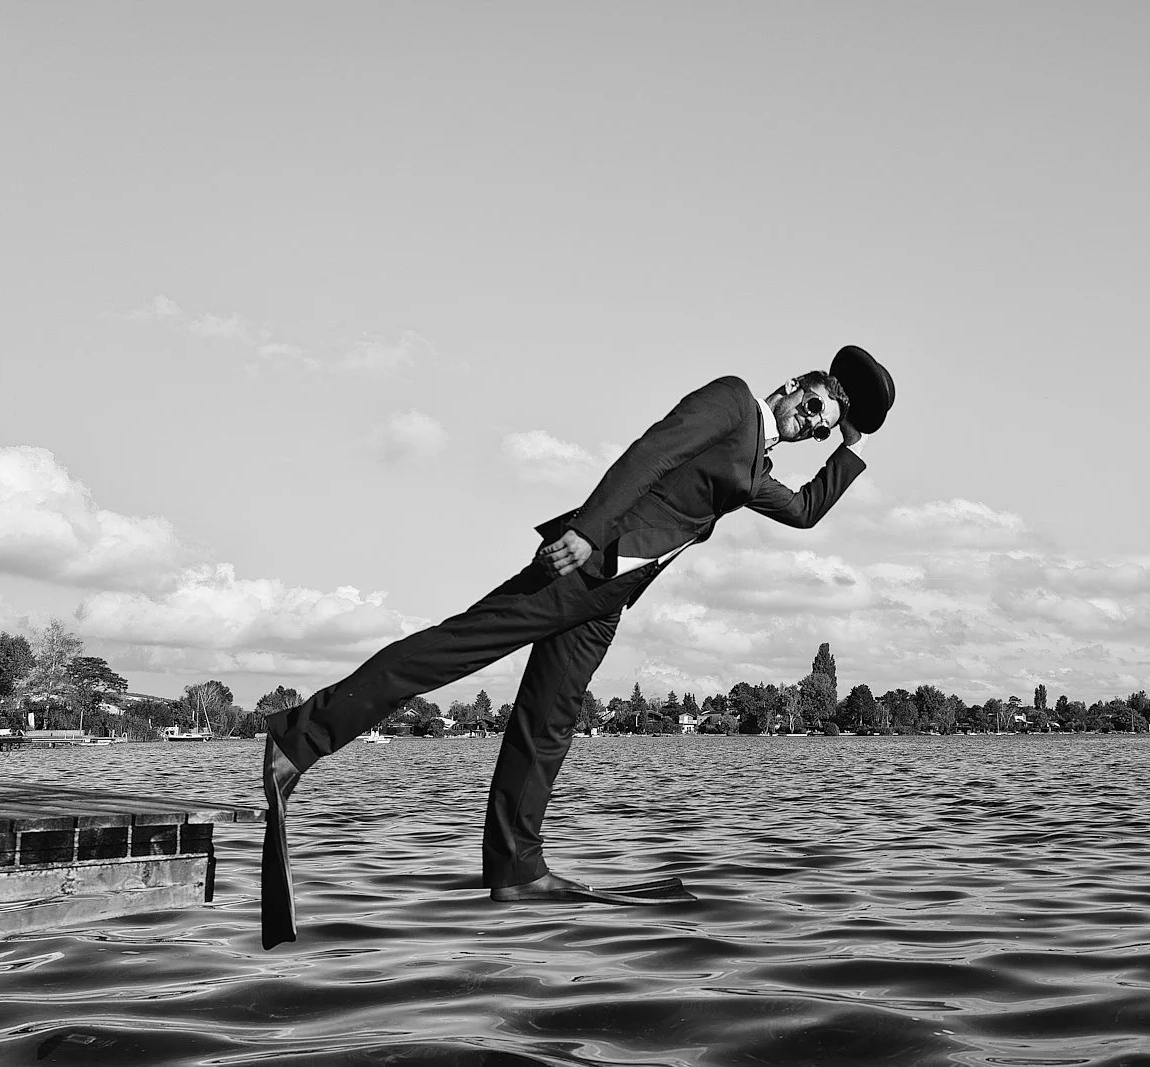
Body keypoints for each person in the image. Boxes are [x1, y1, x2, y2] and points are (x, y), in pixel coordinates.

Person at [260, 345, 895, 949]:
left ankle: (516, 868)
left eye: (820, 428)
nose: (808, 425)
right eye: (811, 409)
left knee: (549, 724)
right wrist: (589, 531)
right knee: (453, 650)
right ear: (791, 386)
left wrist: (850, 445)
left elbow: (808, 511)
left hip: (608, 596)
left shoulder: (757, 467)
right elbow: (648, 454)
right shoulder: (731, 401)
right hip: (584, 563)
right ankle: (300, 737)